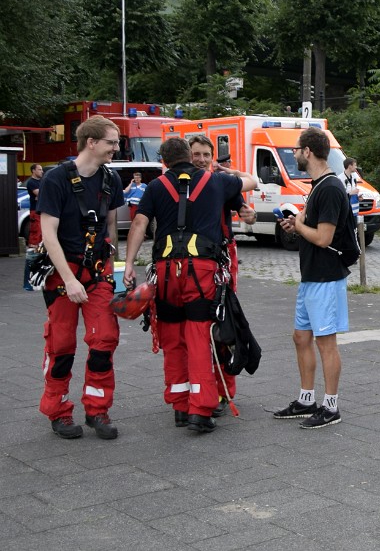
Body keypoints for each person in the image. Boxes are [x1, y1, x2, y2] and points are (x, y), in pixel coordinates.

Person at [124, 137, 254, 434]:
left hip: (165, 272)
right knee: (199, 336)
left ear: (164, 162)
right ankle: (200, 409)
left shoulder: (156, 187)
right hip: (202, 270)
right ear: (189, 157)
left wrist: (129, 264)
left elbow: (139, 225)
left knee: (172, 338)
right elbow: (252, 180)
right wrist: (227, 172)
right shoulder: (216, 182)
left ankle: (180, 406)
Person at [36, 117, 125, 439]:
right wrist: (68, 280)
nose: (117, 147)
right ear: (91, 142)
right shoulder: (56, 179)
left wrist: (114, 272)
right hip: (64, 275)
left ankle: (97, 410)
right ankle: (58, 411)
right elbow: (49, 233)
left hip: (97, 273)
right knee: (61, 346)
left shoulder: (110, 180)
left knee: (104, 340)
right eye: (112, 142)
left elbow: (112, 229)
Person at [274, 128, 357, 429]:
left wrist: (299, 224)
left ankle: (331, 406)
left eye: (296, 149)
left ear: (307, 151)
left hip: (326, 277)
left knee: (326, 343)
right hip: (311, 276)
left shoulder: (331, 187)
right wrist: (295, 225)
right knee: (301, 337)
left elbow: (324, 237)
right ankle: (306, 399)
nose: (294, 154)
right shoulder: (318, 185)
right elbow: (312, 228)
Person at [189, 135, 257, 416]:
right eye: (196, 154)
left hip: (220, 259)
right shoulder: (181, 182)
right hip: (191, 263)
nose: (202, 159)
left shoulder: (222, 182)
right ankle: (197, 389)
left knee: (223, 322)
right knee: (194, 330)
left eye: (206, 154)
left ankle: (223, 389)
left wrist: (248, 214)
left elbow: (243, 209)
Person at [23, 163, 44, 291]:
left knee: (40, 245)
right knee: (34, 245)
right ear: (33, 171)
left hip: (40, 213)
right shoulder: (31, 182)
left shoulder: (41, 181)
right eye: (39, 169)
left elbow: (42, 195)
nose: (42, 172)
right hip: (36, 214)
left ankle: (36, 278)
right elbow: (41, 194)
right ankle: (29, 282)